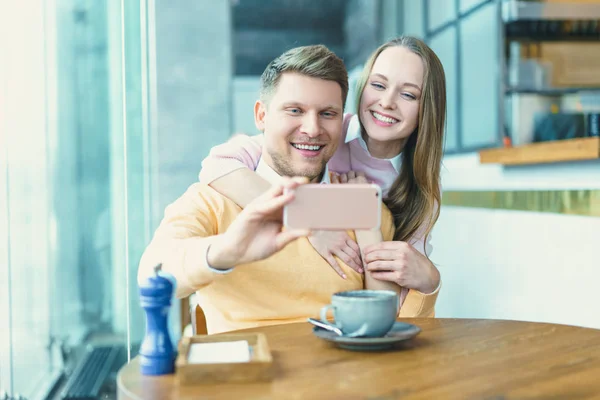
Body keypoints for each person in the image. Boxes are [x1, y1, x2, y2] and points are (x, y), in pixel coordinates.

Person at [139, 45, 434, 335]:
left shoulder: (366, 206)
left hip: (341, 378)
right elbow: (151, 275)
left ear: (342, 120)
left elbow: (391, 322)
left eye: (328, 114)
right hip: (250, 376)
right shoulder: (213, 199)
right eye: (295, 110)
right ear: (262, 116)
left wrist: (430, 280)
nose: (312, 128)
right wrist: (226, 250)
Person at [199, 36, 446, 308]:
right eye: (378, 85)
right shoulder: (322, 134)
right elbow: (218, 164)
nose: (387, 102)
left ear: (427, 110)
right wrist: (309, 221)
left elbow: (394, 302)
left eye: (408, 94)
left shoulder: (418, 190)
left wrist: (430, 278)